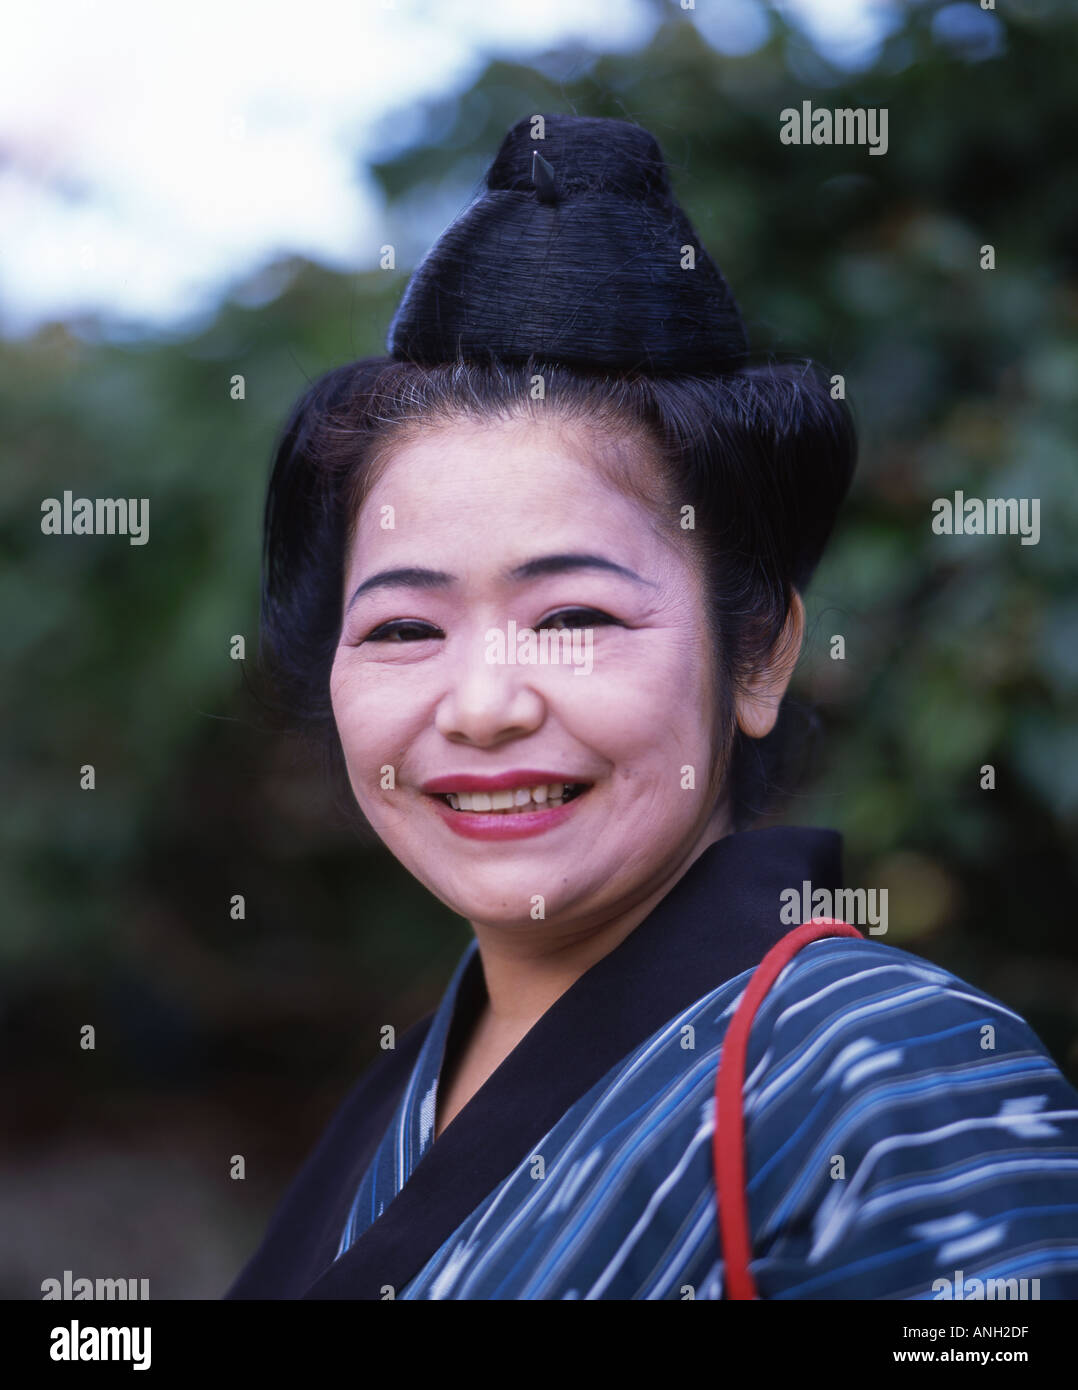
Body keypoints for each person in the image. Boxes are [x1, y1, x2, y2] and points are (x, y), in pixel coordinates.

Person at [225, 114, 1078, 1300]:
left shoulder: (898, 1080)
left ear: (760, 657)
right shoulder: (398, 1099)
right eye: (403, 628)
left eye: (573, 618)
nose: (479, 706)